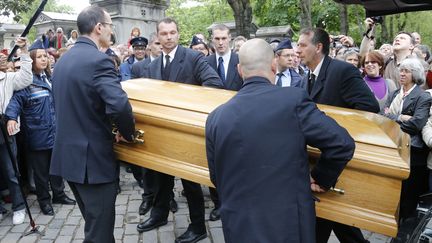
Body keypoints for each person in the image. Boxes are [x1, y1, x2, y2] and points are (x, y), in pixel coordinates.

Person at [205, 38, 355, 243]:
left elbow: (217, 176)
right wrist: (320, 177)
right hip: (287, 224)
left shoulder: (216, 117)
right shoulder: (292, 100)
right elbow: (342, 143)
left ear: (240, 70)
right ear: (274, 65)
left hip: (238, 223)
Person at [50, 6, 135, 242]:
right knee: (100, 233)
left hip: (68, 158)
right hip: (92, 163)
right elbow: (119, 105)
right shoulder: (99, 61)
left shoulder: (63, 61)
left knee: (94, 222)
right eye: (109, 26)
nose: (111, 31)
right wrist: (128, 133)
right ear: (98, 27)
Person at [136, 17, 223, 243]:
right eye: (164, 34)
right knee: (160, 177)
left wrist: (186, 104)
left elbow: (215, 85)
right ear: (157, 36)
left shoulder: (193, 58)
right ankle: (159, 214)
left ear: (178, 33)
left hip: (186, 132)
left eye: (172, 32)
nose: (168, 37)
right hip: (161, 133)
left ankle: (197, 226)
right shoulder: (152, 65)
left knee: (190, 182)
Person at [296, 27, 379, 243]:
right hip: (321, 160)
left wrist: (334, 132)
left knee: (327, 220)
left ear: (319, 47)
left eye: (303, 45)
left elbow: (368, 107)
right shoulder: (308, 77)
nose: (297, 50)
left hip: (337, 157)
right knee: (335, 221)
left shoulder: (342, 71)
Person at [5, 38, 76, 216]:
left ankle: (59, 194)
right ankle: (44, 201)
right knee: (41, 173)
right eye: (39, 57)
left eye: (45, 56)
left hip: (56, 133)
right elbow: (14, 103)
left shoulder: (51, 78)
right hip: (37, 135)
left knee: (57, 168)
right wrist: (11, 118)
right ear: (32, 60)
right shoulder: (27, 83)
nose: (44, 59)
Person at [130, 32, 178, 216]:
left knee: (167, 163)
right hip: (146, 122)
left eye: (161, 43)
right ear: (150, 46)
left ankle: (169, 197)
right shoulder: (139, 67)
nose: (160, 46)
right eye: (157, 43)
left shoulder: (170, 65)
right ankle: (148, 197)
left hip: (165, 120)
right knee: (147, 165)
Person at [383, 58, 431, 221]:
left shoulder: (422, 96)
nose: (401, 74)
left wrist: (392, 118)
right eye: (401, 70)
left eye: (406, 71)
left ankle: (404, 230)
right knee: (393, 191)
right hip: (393, 147)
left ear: (415, 74)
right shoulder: (395, 93)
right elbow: (381, 117)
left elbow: (416, 125)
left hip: (413, 153)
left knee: (408, 194)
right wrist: (401, 117)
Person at [0, 37, 32, 225]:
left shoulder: (8, 78)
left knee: (11, 171)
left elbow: (26, 78)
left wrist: (25, 52)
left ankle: (19, 207)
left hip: (5, 131)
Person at [205, 24, 243, 91]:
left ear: (229, 38)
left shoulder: (241, 61)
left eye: (224, 38)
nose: (220, 42)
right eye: (217, 39)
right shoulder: (205, 63)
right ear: (212, 39)